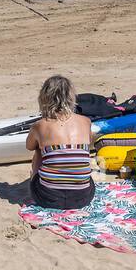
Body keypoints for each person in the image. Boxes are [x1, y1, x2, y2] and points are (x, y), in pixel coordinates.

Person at [25, 76, 94, 210]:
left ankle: (50, 182)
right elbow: (89, 142)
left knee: (39, 149)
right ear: (71, 97)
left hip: (48, 198)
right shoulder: (86, 121)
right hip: (83, 197)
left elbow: (29, 146)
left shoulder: (39, 125)